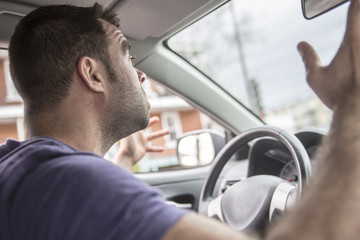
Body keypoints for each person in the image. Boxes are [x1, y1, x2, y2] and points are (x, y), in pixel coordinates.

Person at [0, 0, 360, 239]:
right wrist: (350, 107)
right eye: (127, 54)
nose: (140, 75)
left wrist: (123, 160)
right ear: (93, 75)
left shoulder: (23, 171)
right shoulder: (65, 182)